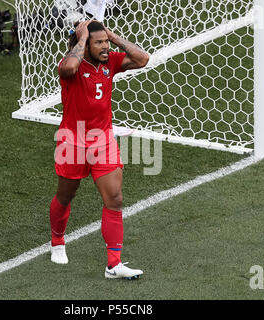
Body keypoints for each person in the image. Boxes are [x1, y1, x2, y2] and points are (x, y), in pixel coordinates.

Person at [49, 19, 149, 279]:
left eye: (106, 42)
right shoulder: (71, 64)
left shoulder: (111, 62)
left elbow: (142, 59)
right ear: (85, 45)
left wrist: (113, 37)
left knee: (115, 200)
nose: (105, 47)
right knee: (65, 196)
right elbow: (69, 66)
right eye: (100, 43)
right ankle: (58, 240)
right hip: (72, 143)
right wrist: (82, 39)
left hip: (103, 140)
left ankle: (113, 265)